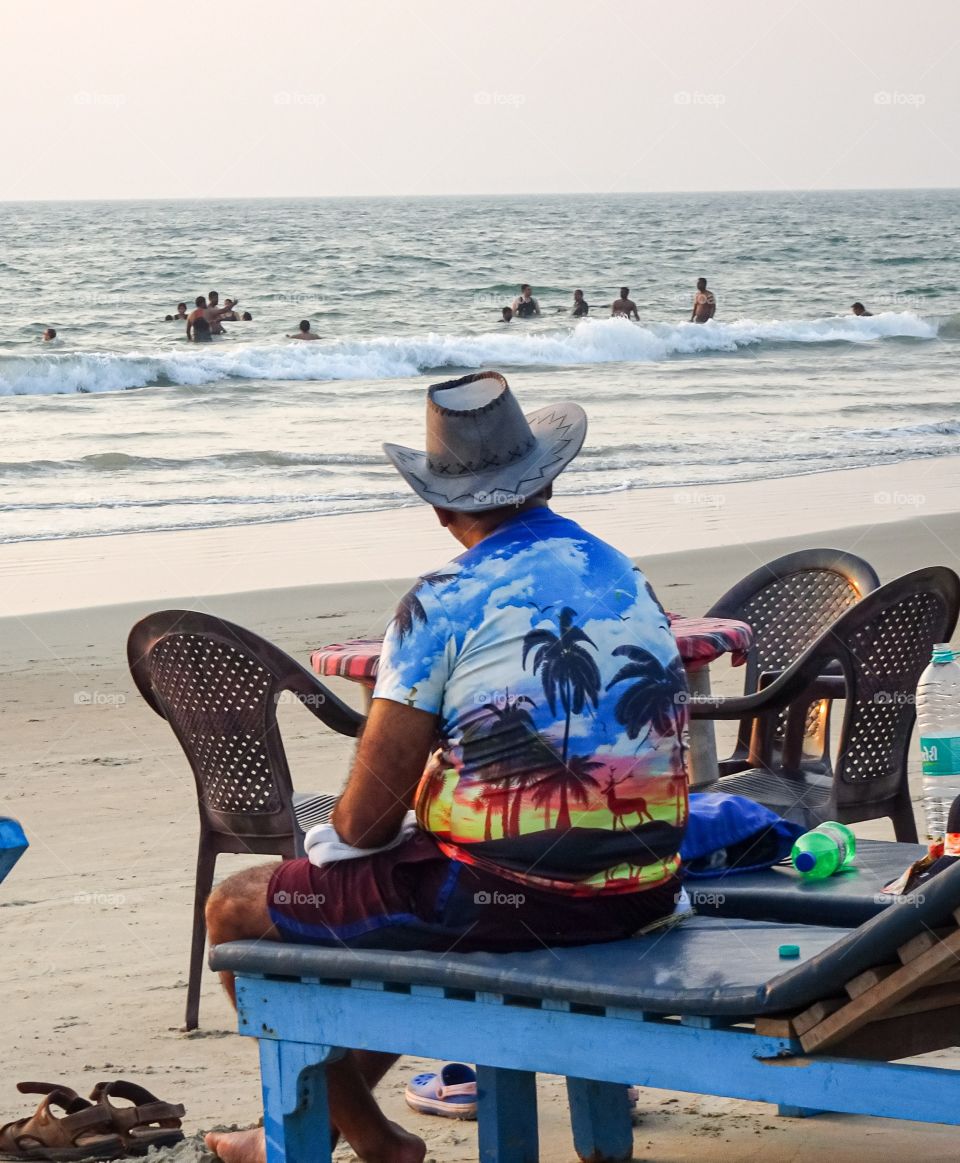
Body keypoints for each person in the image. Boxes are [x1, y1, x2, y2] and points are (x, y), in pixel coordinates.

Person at [203, 370, 688, 1163]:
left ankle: (374, 1139)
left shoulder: (443, 599)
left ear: (438, 505)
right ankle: (316, 1128)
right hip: (646, 888)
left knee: (238, 906)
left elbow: (364, 818)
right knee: (389, 898)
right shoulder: (623, 570)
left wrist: (364, 816)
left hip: (508, 901)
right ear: (547, 477)